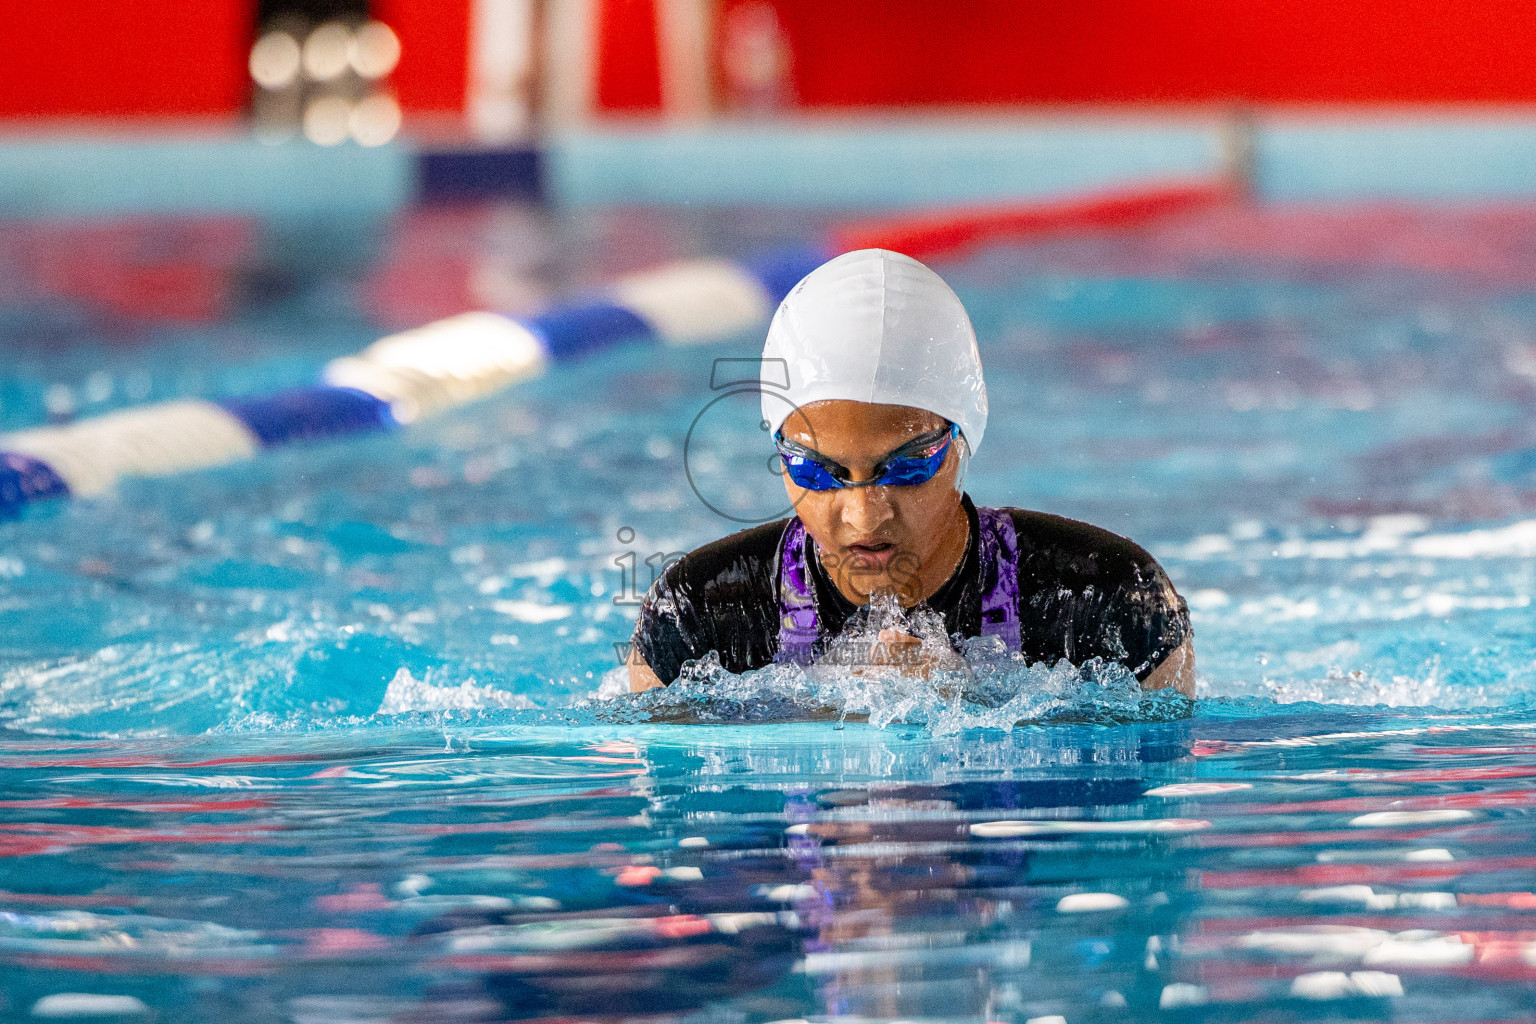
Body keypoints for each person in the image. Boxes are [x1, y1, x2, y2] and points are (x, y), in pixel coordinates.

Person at [628, 249, 1194, 695]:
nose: (864, 513)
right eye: (817, 471)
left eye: (904, 468)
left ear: (961, 441)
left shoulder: (1111, 602)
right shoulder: (696, 619)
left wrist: (962, 705)